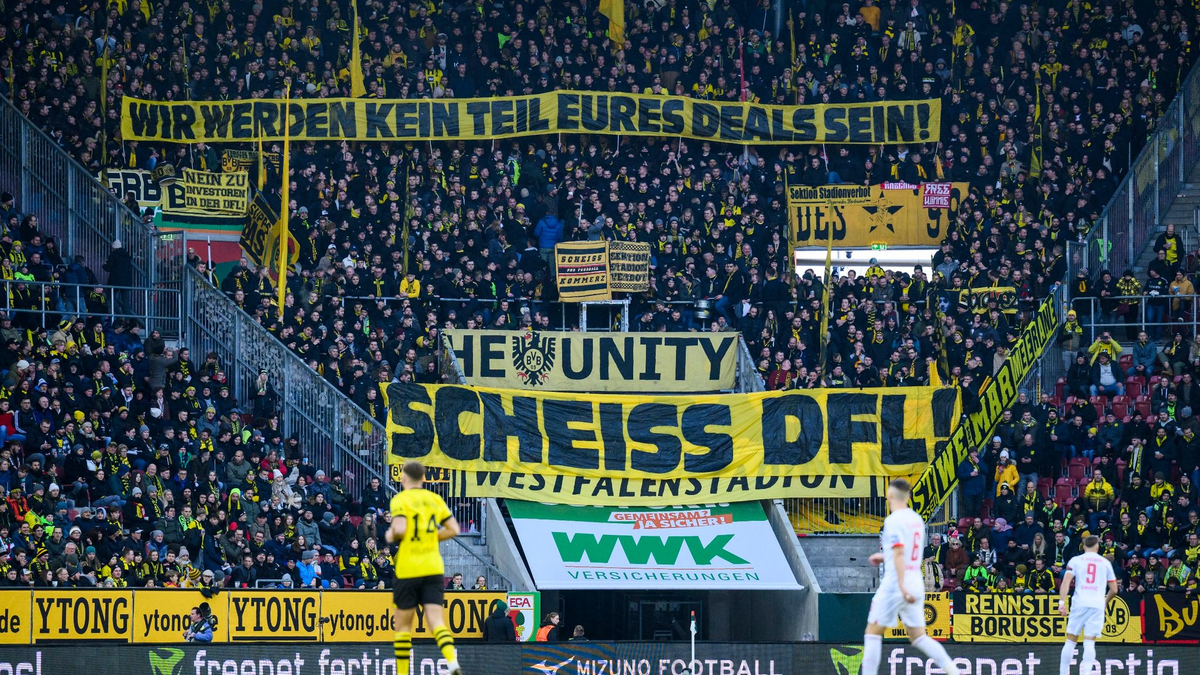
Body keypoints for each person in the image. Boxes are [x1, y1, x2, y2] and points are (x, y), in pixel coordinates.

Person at [859, 479, 961, 675]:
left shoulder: (893, 520)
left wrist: (902, 587)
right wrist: (883, 556)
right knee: (918, 637)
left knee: (872, 633)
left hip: (897, 583)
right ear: (908, 496)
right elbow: (905, 551)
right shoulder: (916, 520)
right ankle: (953, 670)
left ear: (889, 496)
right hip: (916, 580)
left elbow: (899, 554)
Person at [386, 461, 462, 675]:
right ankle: (451, 661)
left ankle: (402, 673)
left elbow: (399, 529)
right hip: (433, 568)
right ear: (423, 478)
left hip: (408, 569)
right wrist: (431, 538)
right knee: (437, 622)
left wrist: (391, 535)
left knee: (402, 628)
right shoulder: (434, 499)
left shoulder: (401, 499)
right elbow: (454, 528)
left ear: (403, 478)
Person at [1057, 536, 1118, 675]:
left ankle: (1063, 673)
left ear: (1084, 546)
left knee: (1071, 640)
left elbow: (1066, 582)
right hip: (1096, 604)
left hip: (1080, 603)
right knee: (1090, 641)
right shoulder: (1105, 563)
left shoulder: (1076, 560)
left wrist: (1061, 603)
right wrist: (1105, 602)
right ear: (1097, 547)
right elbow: (1114, 589)